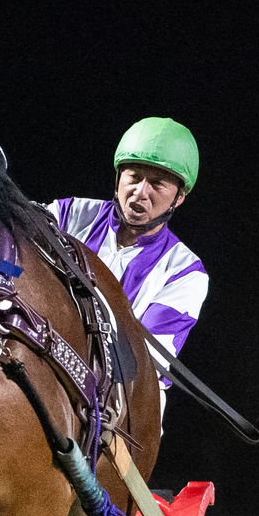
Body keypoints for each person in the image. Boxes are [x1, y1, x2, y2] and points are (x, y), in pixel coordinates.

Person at [48, 117, 209, 413]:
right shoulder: (65, 214)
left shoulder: (186, 271)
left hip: (121, 404)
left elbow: (141, 364)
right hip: (40, 359)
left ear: (179, 197)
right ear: (118, 177)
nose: (140, 192)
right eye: (133, 177)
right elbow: (9, 270)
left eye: (157, 184)